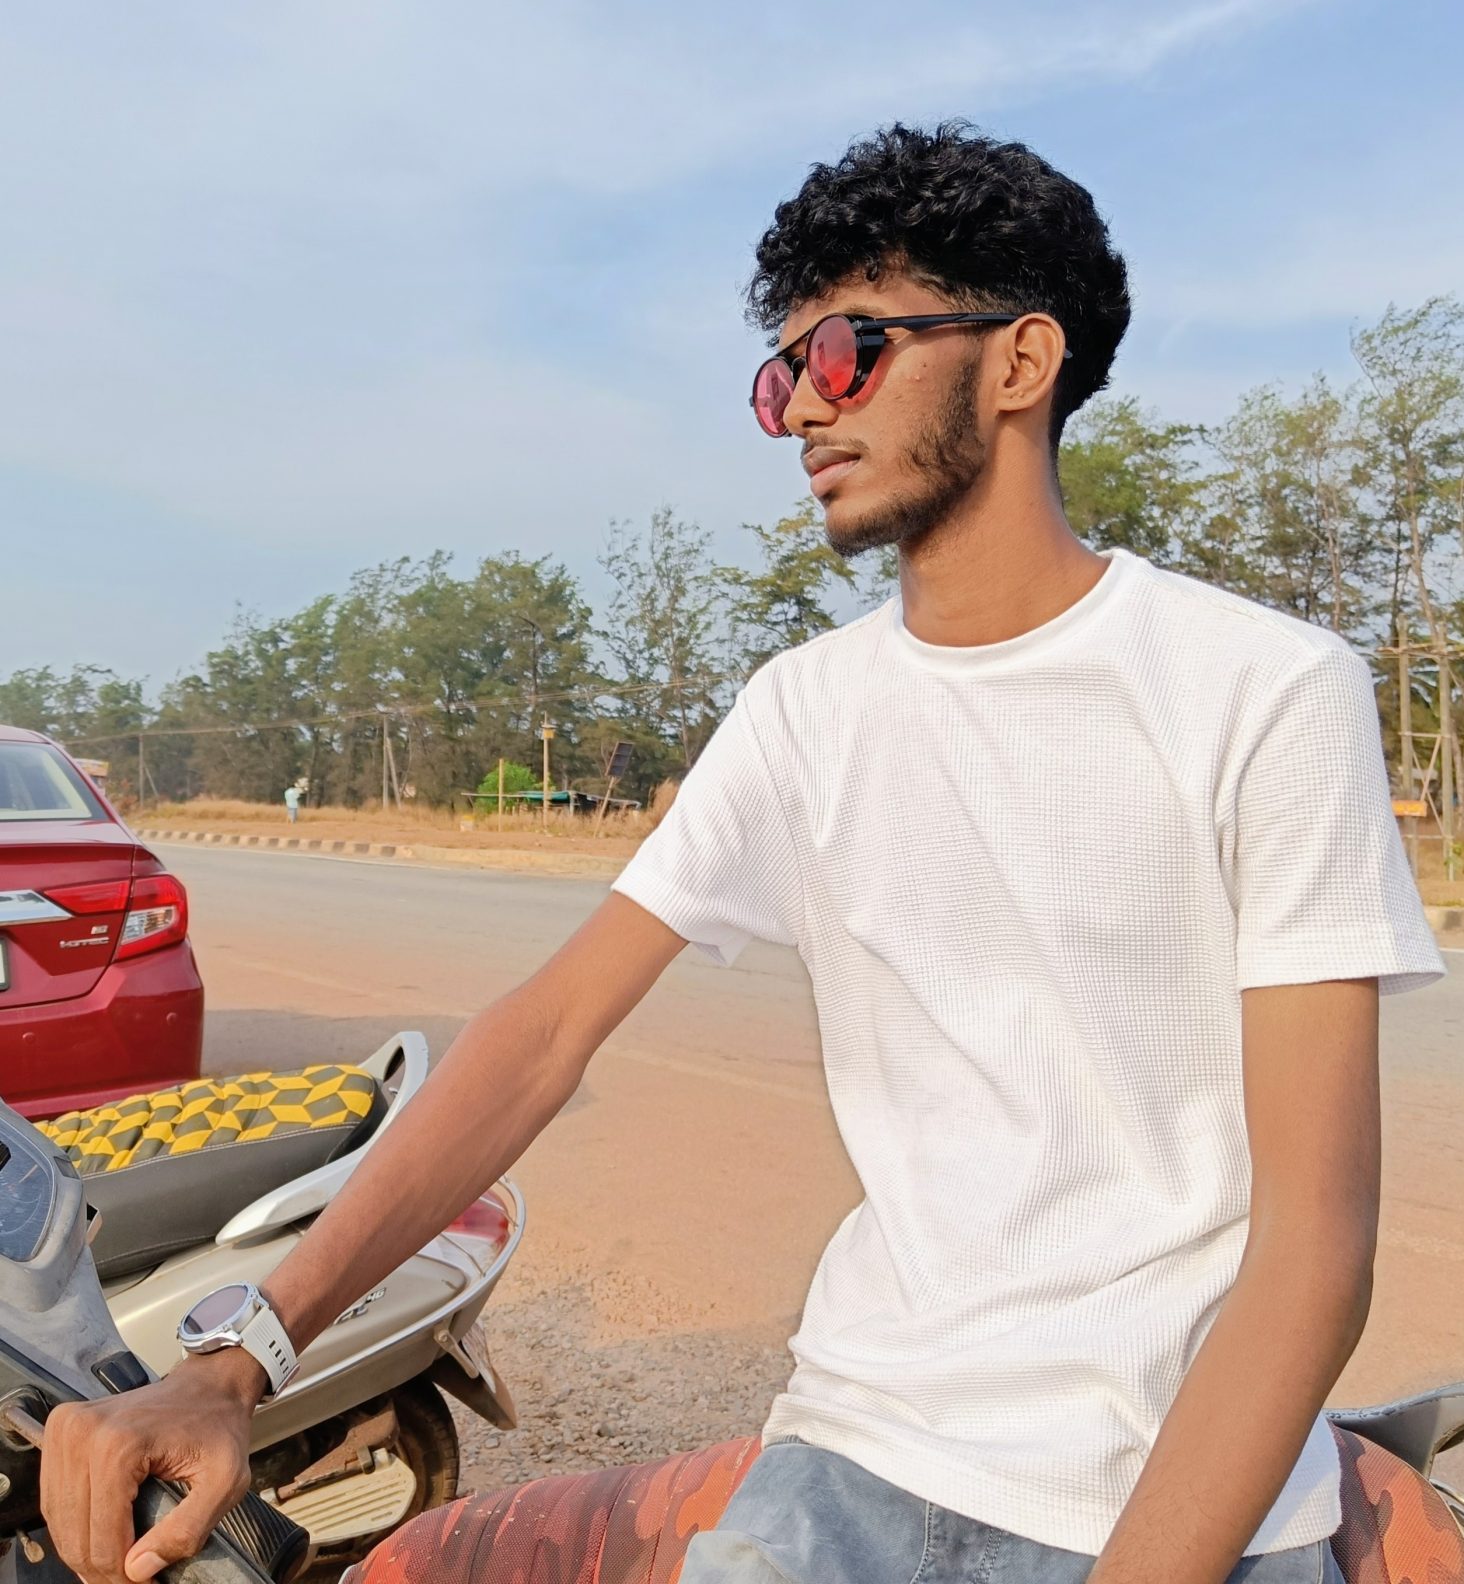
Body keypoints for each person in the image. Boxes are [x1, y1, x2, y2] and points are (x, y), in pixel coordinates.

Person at [42, 125, 1441, 1584]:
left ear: (1021, 362)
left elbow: (1315, 1244)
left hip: (1186, 1506)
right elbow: (541, 1034)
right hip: (852, 1464)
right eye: (781, 378)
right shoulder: (804, 711)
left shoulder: (1259, 689)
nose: (801, 411)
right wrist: (242, 1362)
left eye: (846, 352)